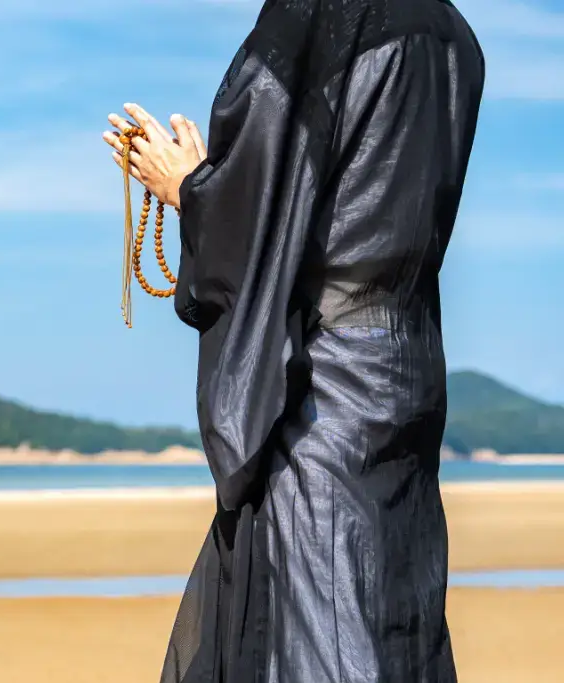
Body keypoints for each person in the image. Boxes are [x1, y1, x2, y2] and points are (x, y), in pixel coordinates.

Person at [101, 0, 484, 680]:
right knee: (393, 617)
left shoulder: (322, 14)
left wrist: (188, 187)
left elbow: (261, 199)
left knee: (321, 624)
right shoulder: (455, 38)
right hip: (410, 367)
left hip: (325, 387)